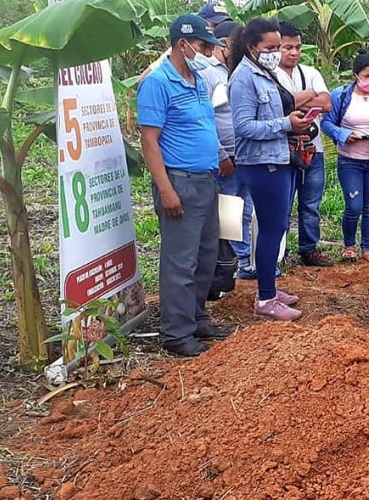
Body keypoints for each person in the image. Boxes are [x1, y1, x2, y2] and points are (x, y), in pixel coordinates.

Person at [136, 14, 227, 357]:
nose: (207, 52)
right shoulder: (158, 83)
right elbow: (149, 140)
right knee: (180, 262)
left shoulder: (197, 79)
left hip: (206, 180)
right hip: (180, 183)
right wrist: (165, 189)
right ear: (183, 44)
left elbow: (205, 125)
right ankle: (177, 333)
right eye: (203, 46)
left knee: (205, 257)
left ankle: (197, 318)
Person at [228, 18, 312, 321]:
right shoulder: (243, 79)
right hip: (262, 163)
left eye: (278, 47)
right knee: (270, 228)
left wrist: (294, 121)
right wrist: (286, 124)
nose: (276, 52)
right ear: (253, 47)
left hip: (279, 157)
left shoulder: (266, 73)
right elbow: (244, 126)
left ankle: (270, 288)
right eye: (271, 47)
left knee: (276, 227)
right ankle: (265, 298)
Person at [320, 49, 369, 263]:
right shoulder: (341, 95)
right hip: (349, 159)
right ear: (356, 75)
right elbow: (326, 123)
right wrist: (343, 134)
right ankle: (348, 245)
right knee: (354, 206)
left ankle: (367, 248)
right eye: (366, 76)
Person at [198, 21, 256, 279]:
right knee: (230, 212)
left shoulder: (241, 71)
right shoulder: (208, 73)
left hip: (246, 154)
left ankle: (243, 260)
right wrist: (221, 153)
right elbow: (205, 118)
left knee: (245, 211)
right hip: (227, 157)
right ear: (224, 43)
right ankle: (233, 263)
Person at [275, 22, 334, 267]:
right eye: (287, 47)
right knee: (282, 204)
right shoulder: (267, 74)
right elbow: (278, 106)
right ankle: (279, 252)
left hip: (313, 149)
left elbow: (327, 104)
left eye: (297, 47)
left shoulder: (309, 72)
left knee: (311, 204)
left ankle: (309, 249)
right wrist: (309, 95)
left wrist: (293, 101)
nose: (294, 52)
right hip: (283, 150)